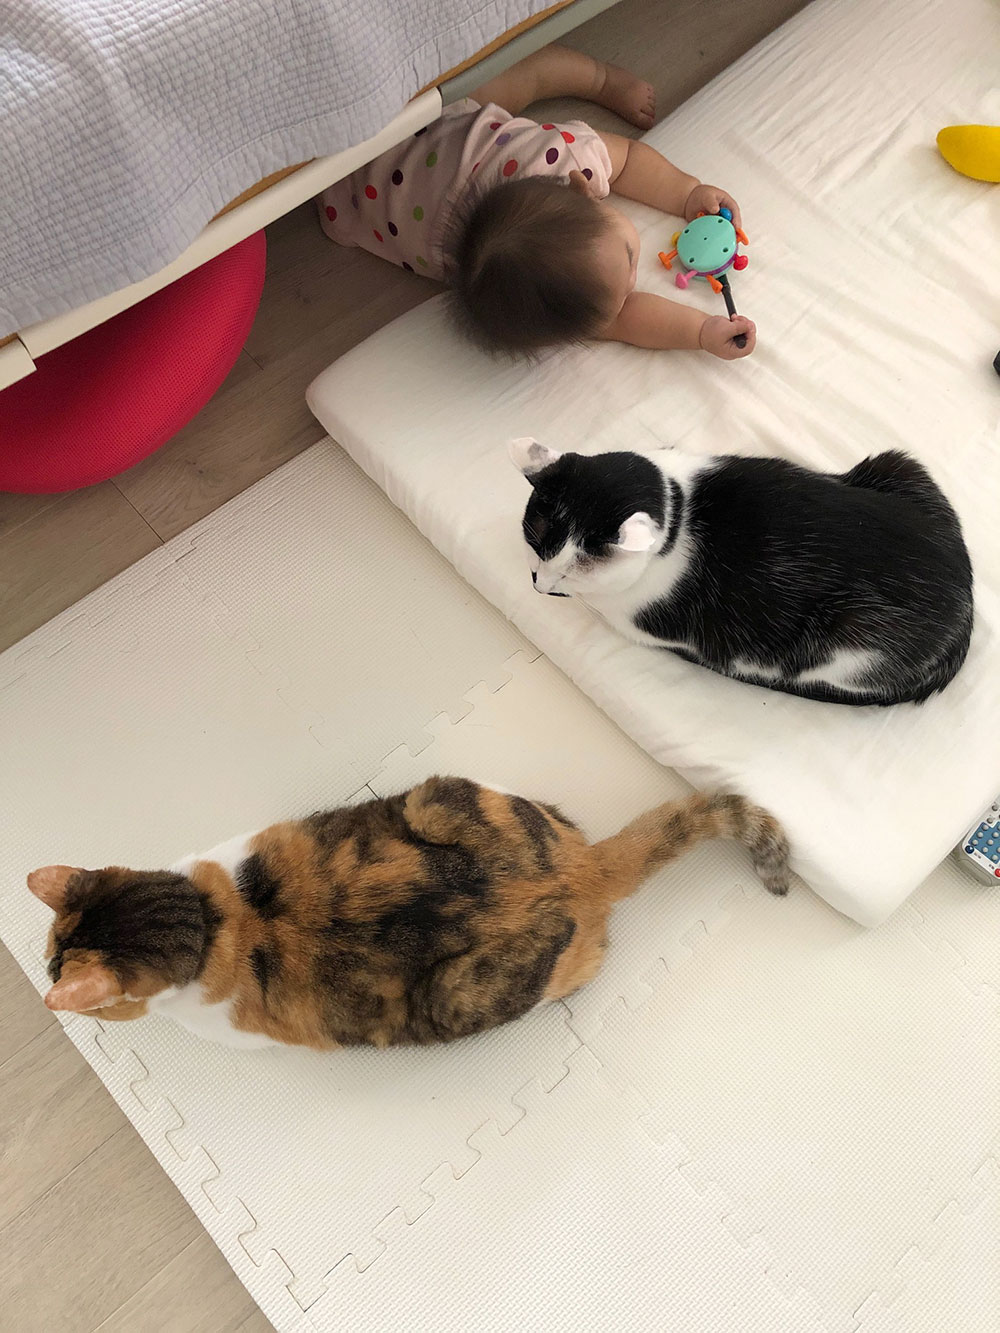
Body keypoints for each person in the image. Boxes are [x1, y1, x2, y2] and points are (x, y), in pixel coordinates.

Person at [319, 44, 755, 360]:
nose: (633, 281)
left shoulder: (563, 159)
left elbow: (629, 160)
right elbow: (624, 321)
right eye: (628, 265)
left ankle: (602, 77)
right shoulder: (527, 295)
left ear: (582, 188)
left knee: (517, 79)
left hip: (391, 149)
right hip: (367, 168)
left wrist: (687, 192)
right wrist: (700, 332)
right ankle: (598, 76)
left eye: (627, 258)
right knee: (520, 79)